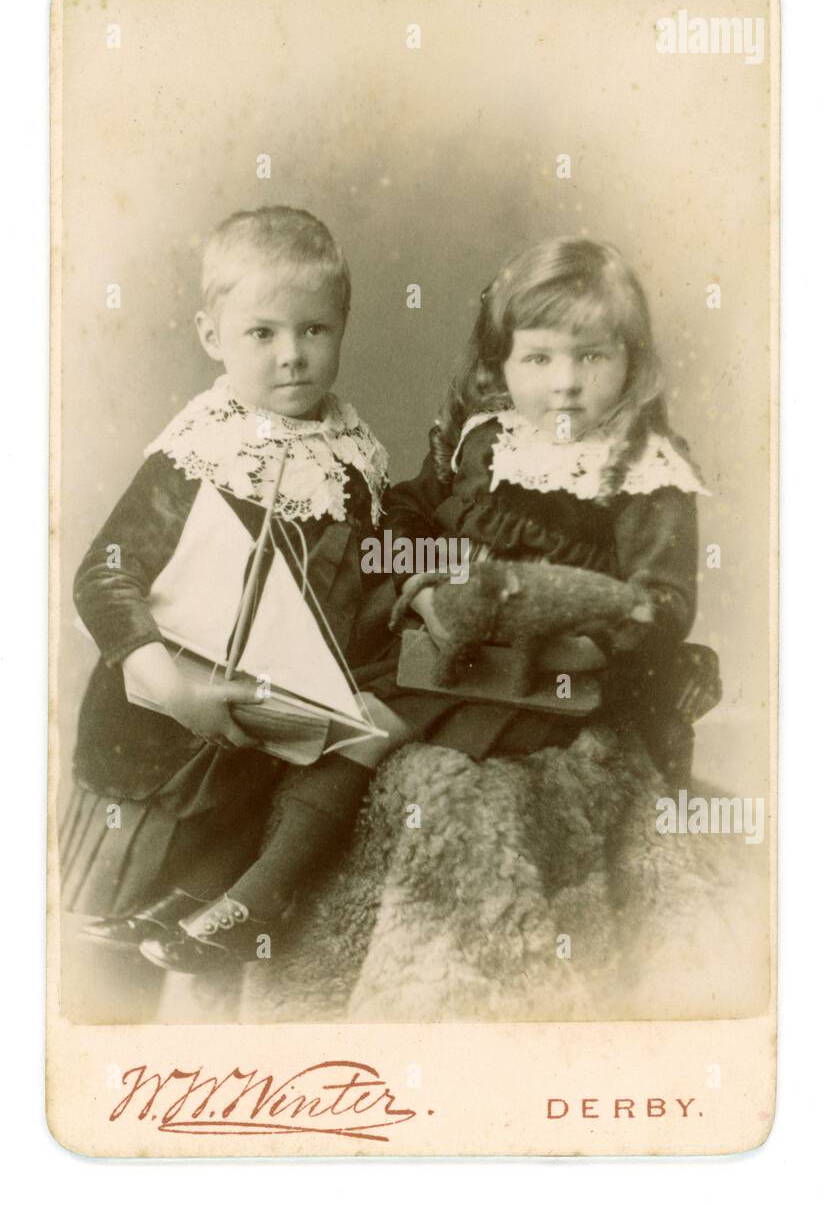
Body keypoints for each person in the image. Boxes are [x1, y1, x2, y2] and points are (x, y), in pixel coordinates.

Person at [62, 205, 408, 975]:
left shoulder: (354, 456)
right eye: (263, 333)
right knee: (108, 949)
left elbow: (357, 582)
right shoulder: (201, 451)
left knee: (213, 928)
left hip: (268, 733)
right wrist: (170, 684)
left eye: (314, 331)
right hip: (164, 737)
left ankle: (226, 914)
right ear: (213, 338)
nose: (292, 356)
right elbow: (103, 576)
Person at [370, 236, 717, 770]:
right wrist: (421, 594)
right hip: (450, 649)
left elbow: (663, 601)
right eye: (537, 358)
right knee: (353, 729)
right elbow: (408, 510)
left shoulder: (646, 472)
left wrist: (579, 651)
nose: (566, 384)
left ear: (632, 363)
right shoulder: (486, 437)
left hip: (562, 680)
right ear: (499, 367)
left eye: (592, 356)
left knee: (451, 765)